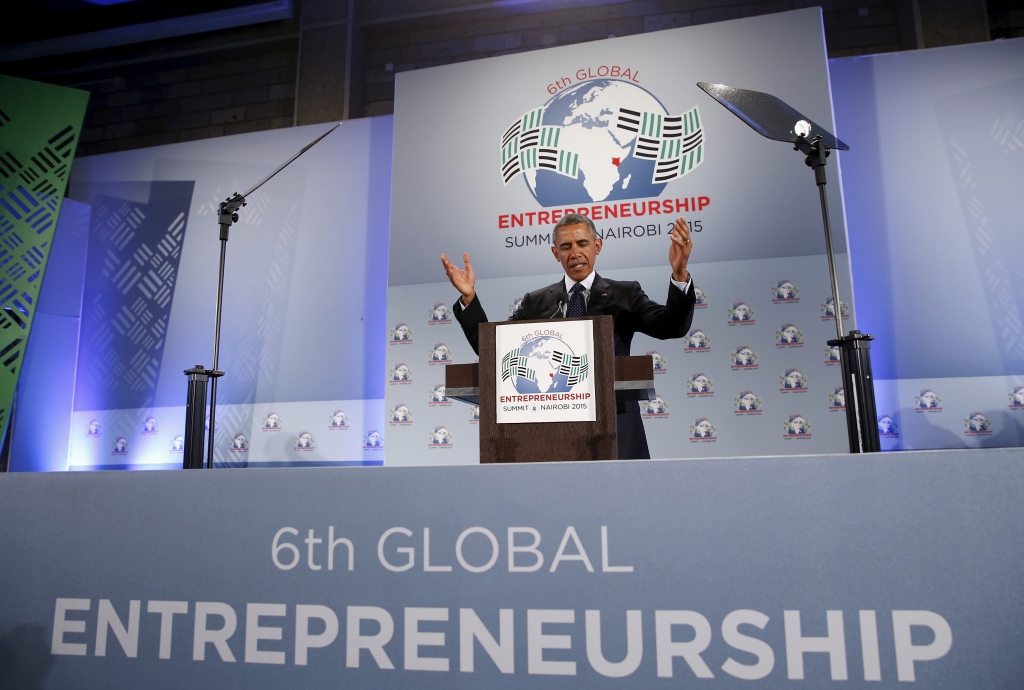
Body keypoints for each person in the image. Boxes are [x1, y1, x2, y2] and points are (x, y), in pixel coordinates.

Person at [440, 212, 697, 460]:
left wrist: (679, 275)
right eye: (566, 246)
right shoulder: (535, 302)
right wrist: (469, 299)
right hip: (550, 432)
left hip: (615, 428)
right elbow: (494, 351)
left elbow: (670, 327)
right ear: (556, 253)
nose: (575, 253)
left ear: (598, 246)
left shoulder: (624, 294)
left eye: (583, 243)